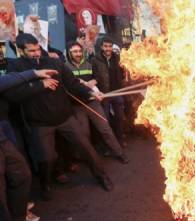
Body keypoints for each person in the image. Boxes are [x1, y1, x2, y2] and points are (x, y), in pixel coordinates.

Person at [5, 33, 114, 200]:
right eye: (31, 51)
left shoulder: (54, 62)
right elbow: (13, 94)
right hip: (39, 123)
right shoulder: (15, 67)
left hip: (65, 118)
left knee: (86, 147)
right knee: (46, 158)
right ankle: (45, 184)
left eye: (38, 49)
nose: (36, 53)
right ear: (20, 51)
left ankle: (102, 176)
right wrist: (40, 85)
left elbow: (73, 84)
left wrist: (90, 93)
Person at [0, 69, 58, 221]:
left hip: (3, 131)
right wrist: (34, 74)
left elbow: (7, 81)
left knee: (21, 174)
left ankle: (19, 215)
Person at [65, 41, 129, 164]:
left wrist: (94, 81)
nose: (78, 54)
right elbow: (69, 86)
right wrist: (82, 84)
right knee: (84, 133)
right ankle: (90, 158)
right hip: (77, 105)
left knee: (105, 128)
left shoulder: (89, 64)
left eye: (79, 51)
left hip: (93, 102)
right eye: (74, 51)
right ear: (69, 53)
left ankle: (119, 153)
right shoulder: (66, 68)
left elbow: (98, 77)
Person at [91, 37, 127, 146]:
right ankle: (108, 144)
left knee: (119, 118)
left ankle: (119, 140)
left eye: (110, 46)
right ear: (101, 47)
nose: (108, 48)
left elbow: (123, 73)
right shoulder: (95, 60)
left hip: (117, 92)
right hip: (103, 94)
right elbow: (94, 76)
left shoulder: (117, 58)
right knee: (105, 120)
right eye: (105, 46)